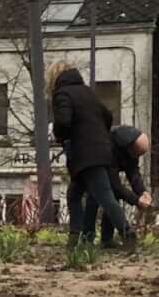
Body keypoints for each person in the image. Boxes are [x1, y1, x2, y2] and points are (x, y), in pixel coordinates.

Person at [49, 66, 133, 247]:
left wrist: (60, 135)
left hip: (85, 153)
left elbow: (63, 122)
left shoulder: (62, 94)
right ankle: (76, 239)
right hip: (101, 149)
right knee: (74, 195)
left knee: (104, 196)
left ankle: (127, 232)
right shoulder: (88, 92)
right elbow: (107, 116)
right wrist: (98, 133)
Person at [90, 125, 153, 248]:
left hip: (106, 168)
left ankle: (106, 239)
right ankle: (87, 237)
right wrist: (136, 201)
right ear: (130, 148)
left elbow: (133, 171)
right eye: (136, 154)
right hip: (94, 167)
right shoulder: (109, 148)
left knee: (112, 198)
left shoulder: (130, 147)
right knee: (95, 199)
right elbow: (115, 186)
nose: (136, 157)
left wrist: (142, 192)